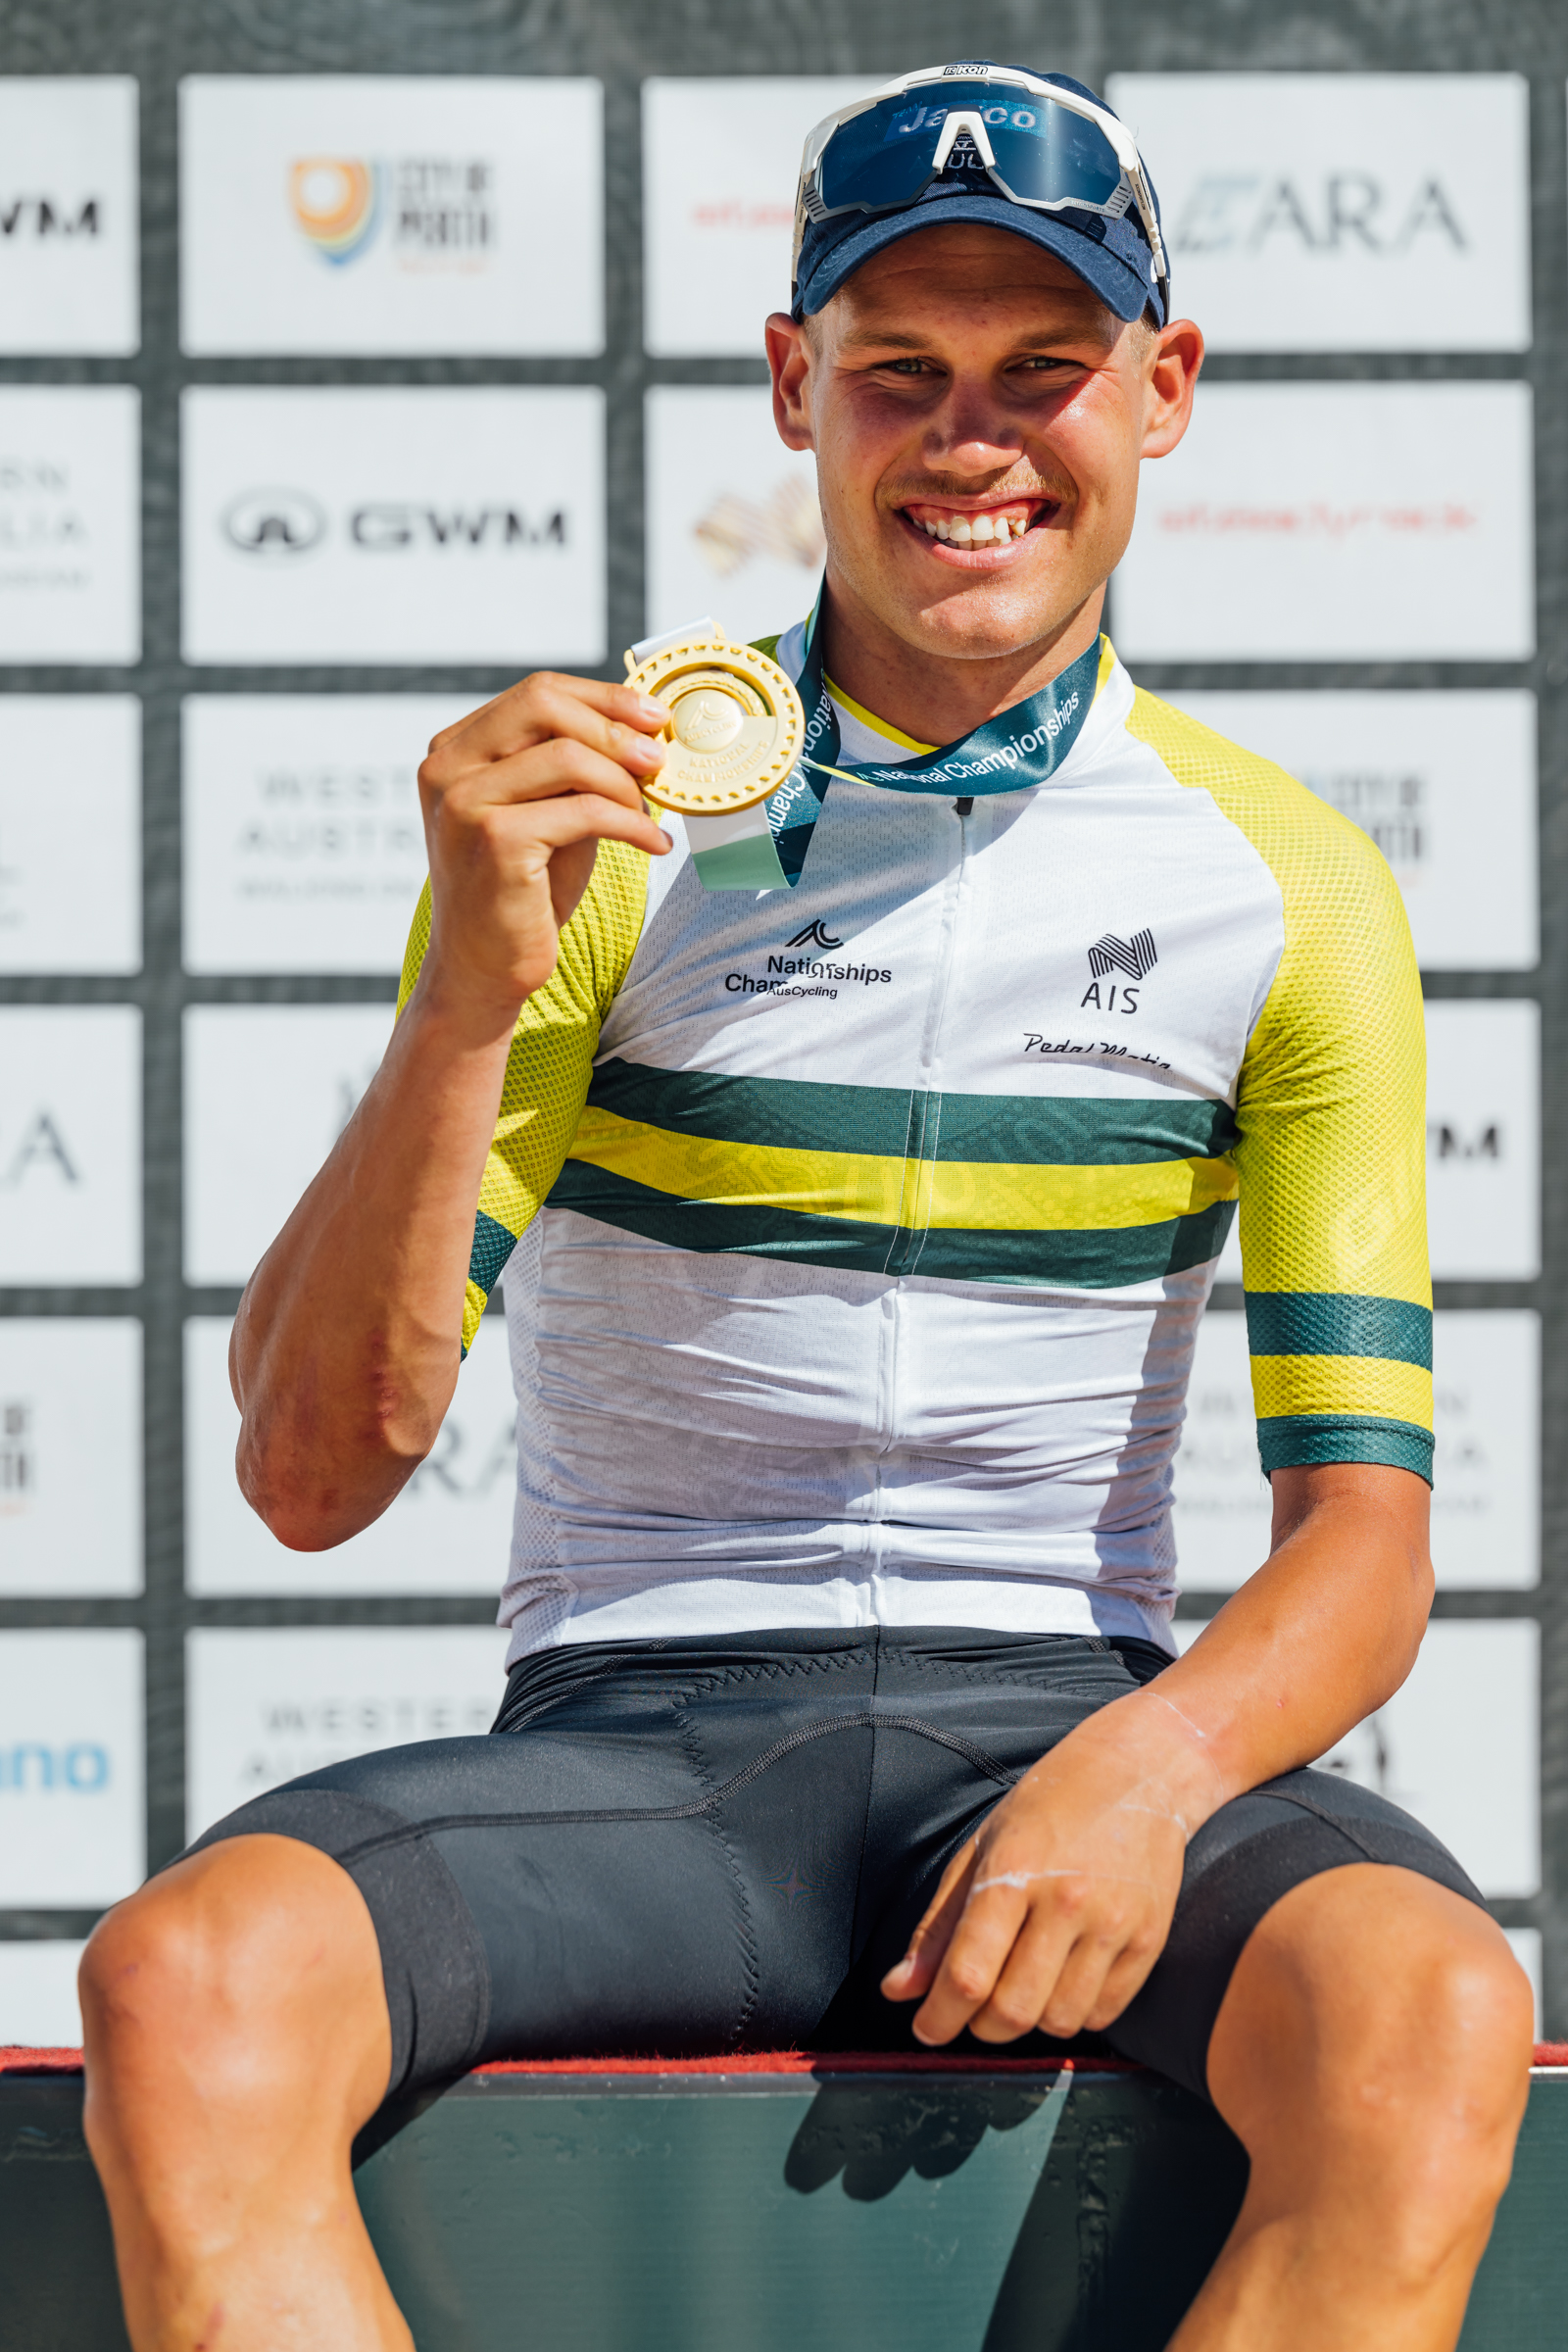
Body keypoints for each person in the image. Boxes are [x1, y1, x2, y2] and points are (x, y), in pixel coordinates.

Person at [79, 62, 1531, 2352]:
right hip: (637, 1739)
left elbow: (1360, 1541)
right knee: (188, 1984)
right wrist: (466, 997)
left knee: (1429, 2012)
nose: (972, 440)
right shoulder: (594, 833)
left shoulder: (1291, 886)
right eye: (899, 374)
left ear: (1160, 394)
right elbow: (309, 1474)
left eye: (1040, 372)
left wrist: (1138, 1779)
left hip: (1050, 1727)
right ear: (794, 389)